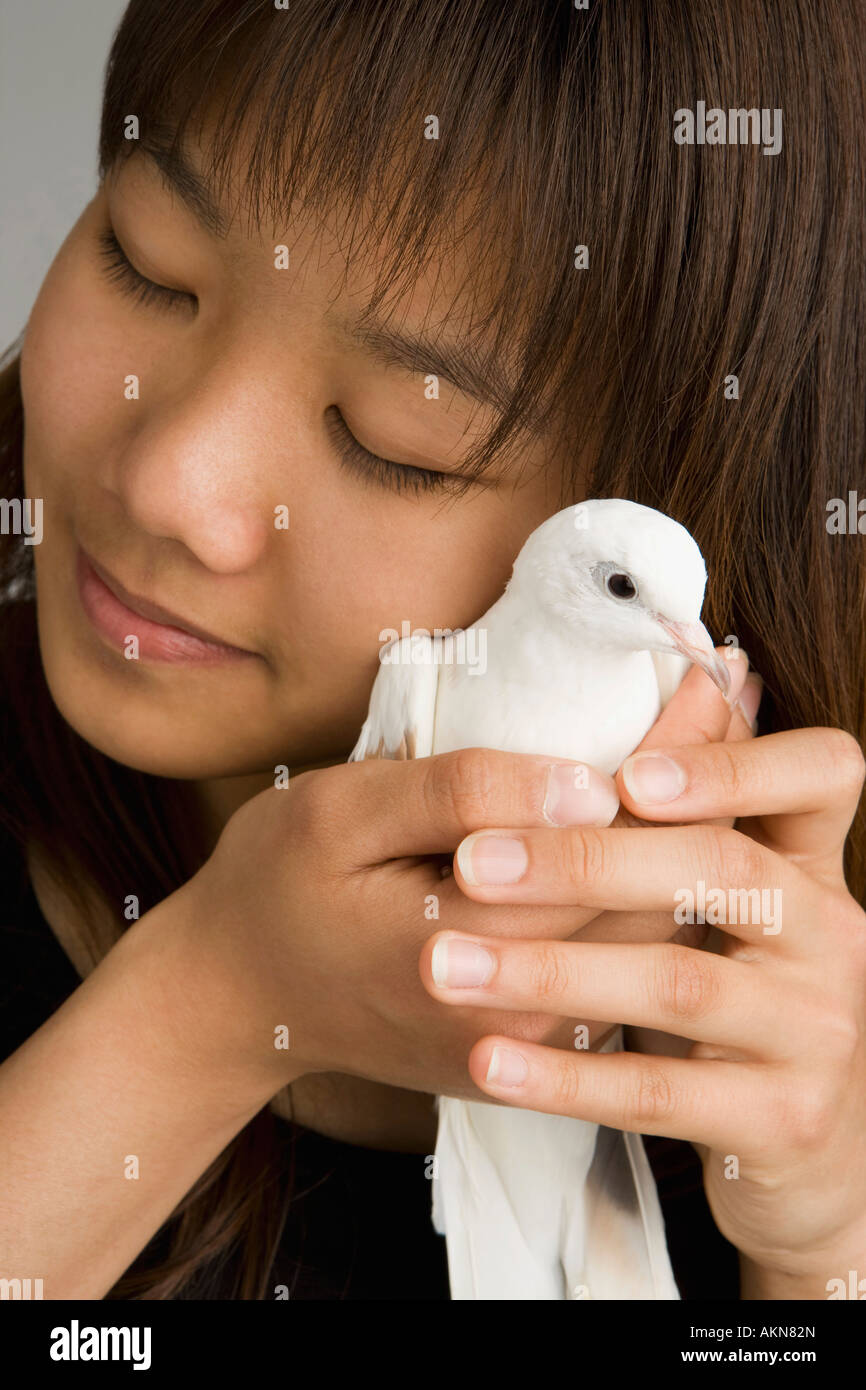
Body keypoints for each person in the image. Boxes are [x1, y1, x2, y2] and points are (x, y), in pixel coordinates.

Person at [0, 0, 863, 1301]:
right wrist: (211, 1001)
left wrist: (818, 1253)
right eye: (146, 260)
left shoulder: (796, 1000)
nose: (174, 479)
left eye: (397, 438)